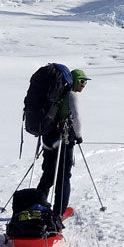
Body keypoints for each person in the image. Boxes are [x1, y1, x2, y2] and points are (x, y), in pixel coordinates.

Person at [35, 67, 87, 217]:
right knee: (64, 176)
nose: (83, 85)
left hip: (48, 138)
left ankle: (38, 204)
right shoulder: (71, 95)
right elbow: (77, 118)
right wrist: (78, 135)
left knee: (49, 172)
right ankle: (59, 212)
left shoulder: (55, 94)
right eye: (82, 81)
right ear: (74, 81)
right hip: (64, 140)